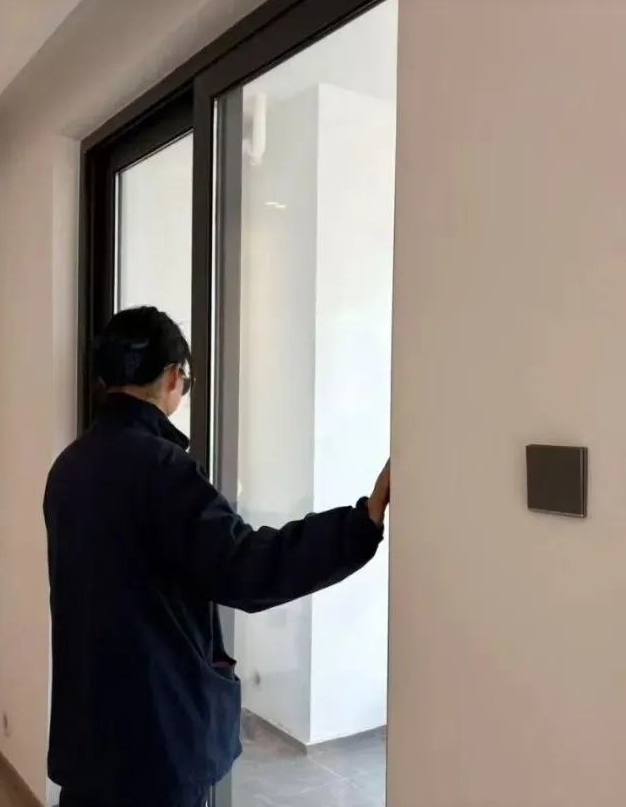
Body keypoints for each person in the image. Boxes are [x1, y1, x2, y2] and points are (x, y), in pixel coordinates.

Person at [44, 306, 391, 807]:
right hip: (156, 742)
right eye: (185, 381)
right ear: (172, 377)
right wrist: (360, 525)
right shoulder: (164, 469)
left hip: (87, 737)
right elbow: (247, 568)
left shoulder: (68, 468)